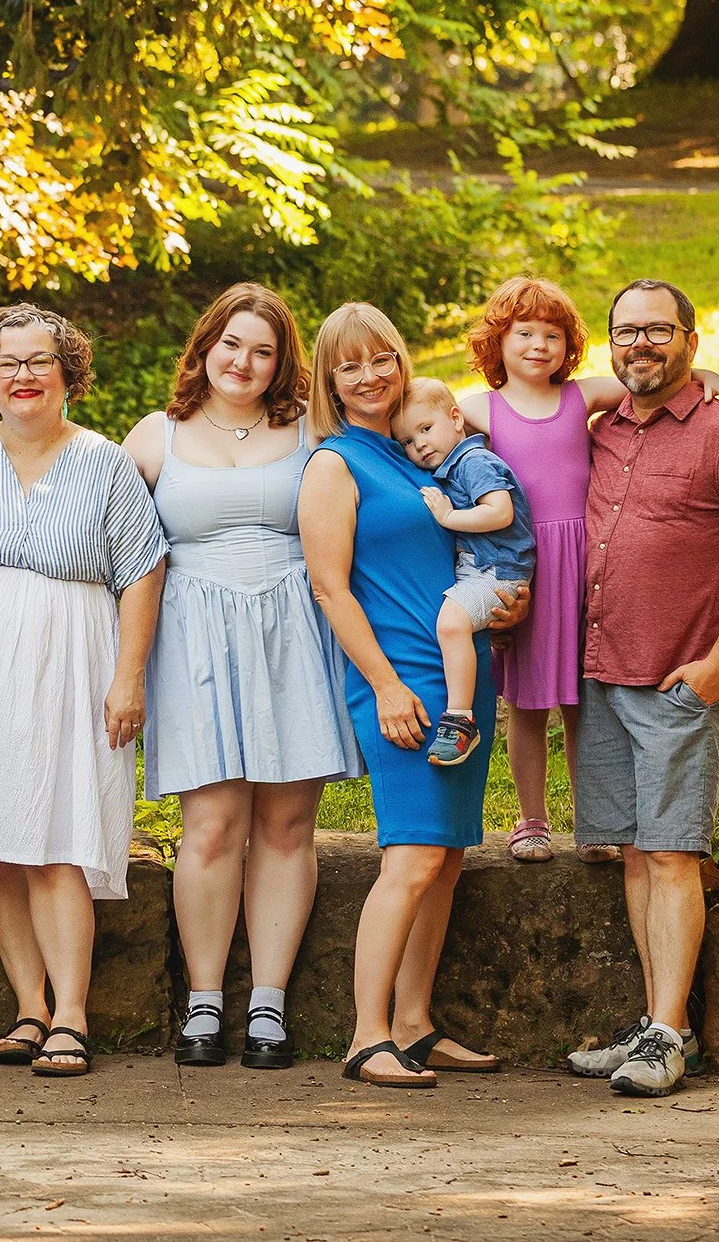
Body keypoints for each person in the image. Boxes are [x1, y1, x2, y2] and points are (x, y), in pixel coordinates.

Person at [0, 306, 166, 1078]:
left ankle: (73, 1014)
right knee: (1, 846)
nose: (22, 374)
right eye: (7, 362)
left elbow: (143, 570)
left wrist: (129, 677)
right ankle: (28, 1006)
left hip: (75, 668)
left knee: (60, 839)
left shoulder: (104, 463)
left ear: (69, 373)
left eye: (38, 360)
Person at [565, 279, 719, 1099]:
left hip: (677, 679)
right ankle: (668, 1026)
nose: (641, 345)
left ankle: (664, 1030)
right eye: (626, 332)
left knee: (671, 852)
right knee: (633, 850)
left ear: (692, 337)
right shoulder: (598, 431)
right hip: (598, 673)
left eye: (659, 330)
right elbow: (501, 404)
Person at [123, 284, 357, 1070]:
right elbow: (115, 548)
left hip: (293, 629)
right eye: (232, 344)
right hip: (194, 638)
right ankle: (204, 1000)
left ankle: (270, 1004)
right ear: (206, 345)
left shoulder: (312, 432)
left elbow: (427, 424)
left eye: (262, 350)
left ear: (282, 360)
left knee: (288, 827)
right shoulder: (158, 436)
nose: (244, 362)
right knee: (213, 826)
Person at [299, 303, 526, 1090]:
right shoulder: (335, 463)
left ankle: (416, 1024)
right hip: (402, 679)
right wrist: (386, 683)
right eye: (350, 365)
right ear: (329, 378)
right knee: (412, 853)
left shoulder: (420, 450)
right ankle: (367, 1035)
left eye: (383, 358)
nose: (370, 376)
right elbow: (330, 589)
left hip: (462, 672)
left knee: (448, 857)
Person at [459, 277, 719, 863]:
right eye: (524, 333)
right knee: (529, 703)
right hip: (526, 569)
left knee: (585, 702)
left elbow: (663, 377)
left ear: (571, 345)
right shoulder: (477, 409)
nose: (539, 345)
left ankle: (600, 826)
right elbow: (418, 425)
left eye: (553, 335)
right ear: (497, 341)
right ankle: (531, 818)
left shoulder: (583, 397)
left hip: (585, 563)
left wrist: (712, 377)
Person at [391, 378, 536, 768]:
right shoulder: (451, 465)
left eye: (425, 429)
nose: (419, 444)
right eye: (407, 440)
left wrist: (449, 516)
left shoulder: (473, 462)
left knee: (452, 624)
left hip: (498, 571)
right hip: (484, 570)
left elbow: (500, 511)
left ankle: (460, 721)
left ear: (456, 419)